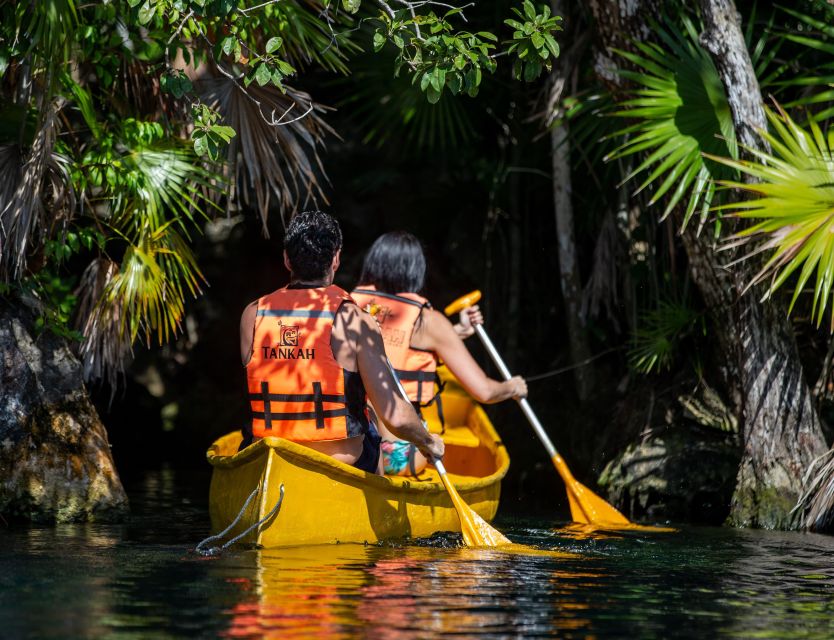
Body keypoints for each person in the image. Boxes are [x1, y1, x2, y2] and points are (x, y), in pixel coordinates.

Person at [238, 212, 444, 474]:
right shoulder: (354, 320)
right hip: (340, 463)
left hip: (269, 455)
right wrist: (428, 442)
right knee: (371, 429)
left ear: (287, 259)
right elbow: (396, 417)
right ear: (336, 259)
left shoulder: (252, 314)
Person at [352, 231, 527, 477]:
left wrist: (457, 332)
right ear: (416, 271)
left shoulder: (350, 305)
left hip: (351, 442)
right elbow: (485, 392)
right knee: (425, 437)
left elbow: (388, 345)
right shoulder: (429, 322)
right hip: (396, 454)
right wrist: (512, 387)